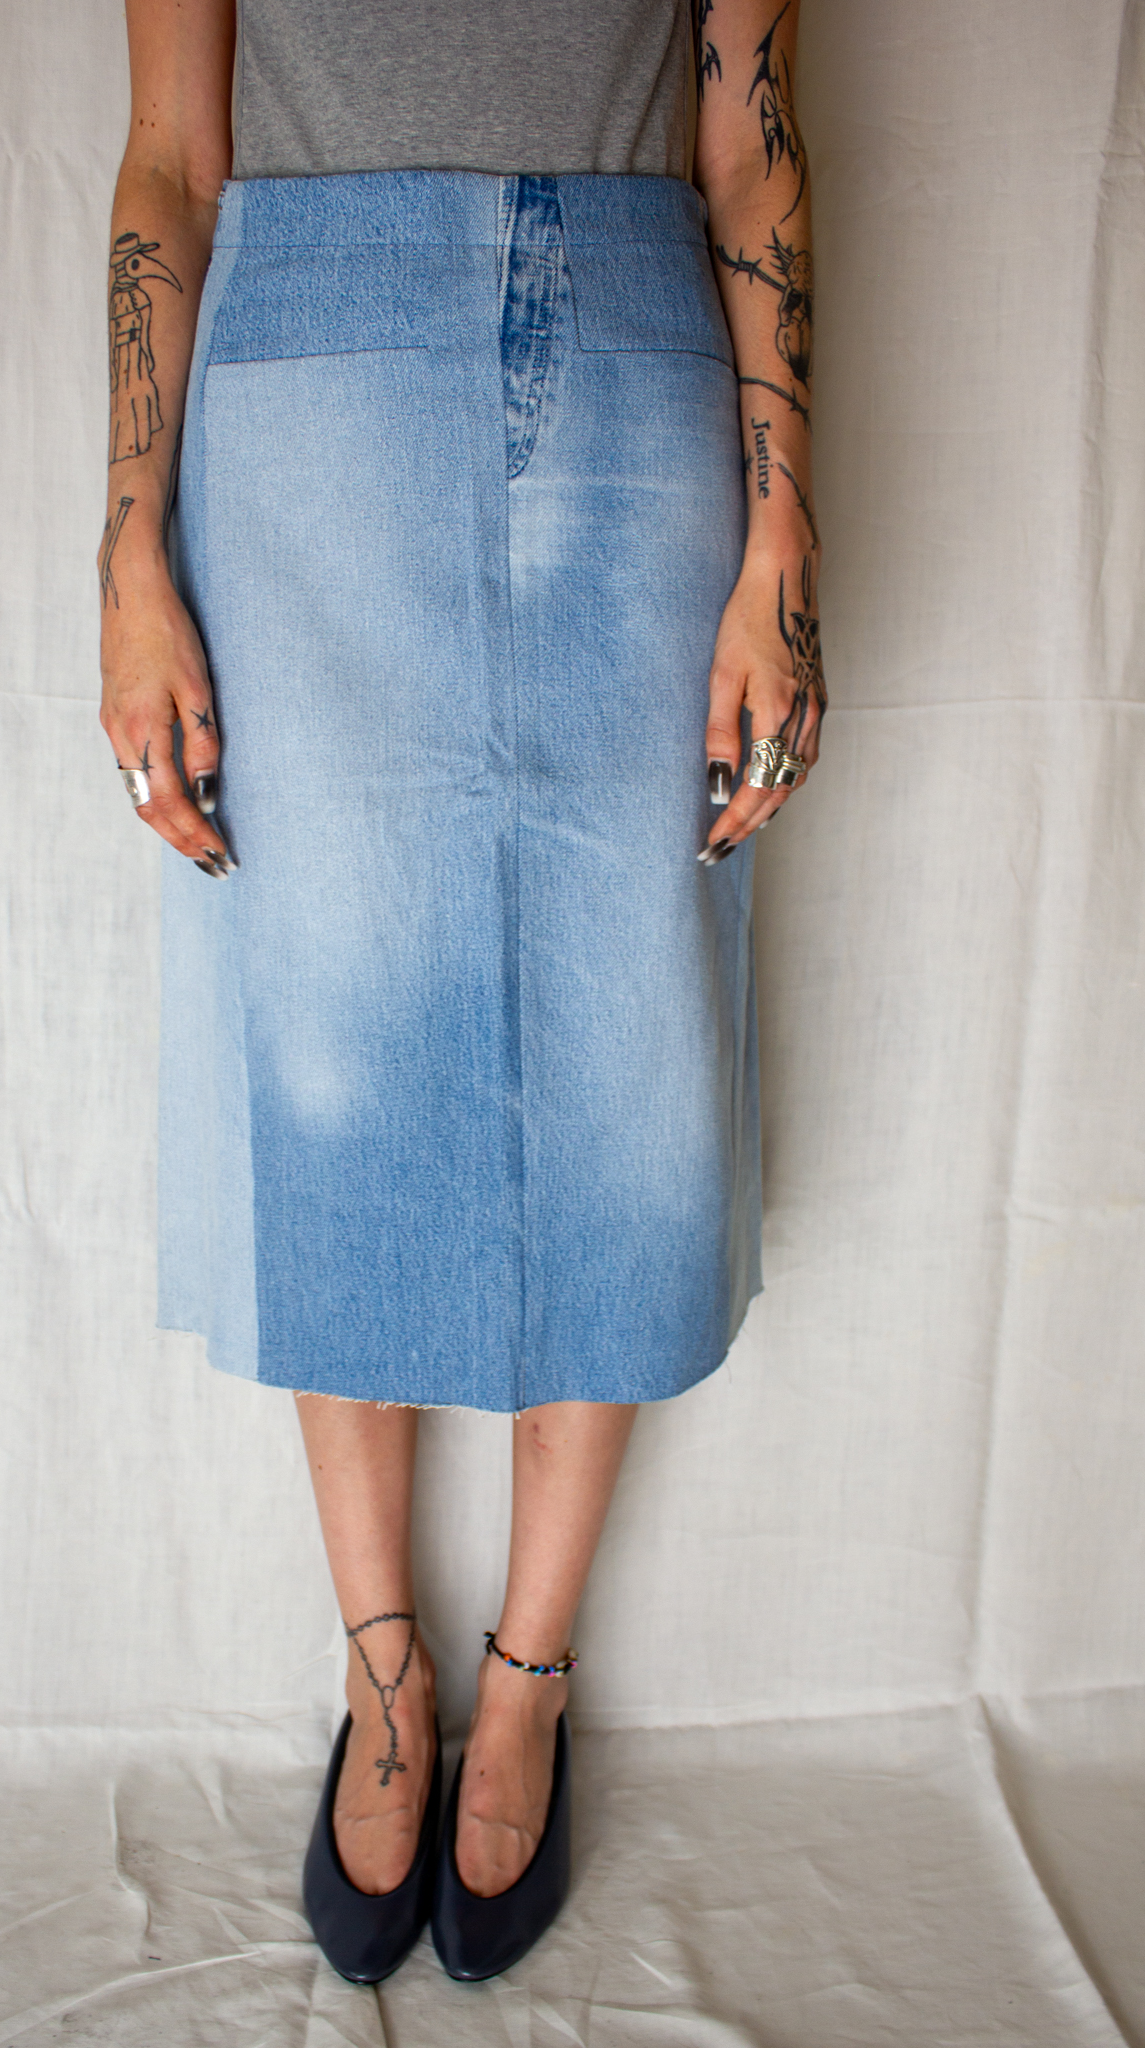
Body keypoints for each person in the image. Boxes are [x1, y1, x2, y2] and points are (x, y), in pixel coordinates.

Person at [98, 0, 823, 1987]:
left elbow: (750, 142)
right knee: (330, 1047)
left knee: (622, 1054)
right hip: (300, 402)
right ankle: (382, 1669)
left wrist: (782, 524)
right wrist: (130, 554)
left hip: (638, 376)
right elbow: (169, 159)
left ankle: (525, 1681)